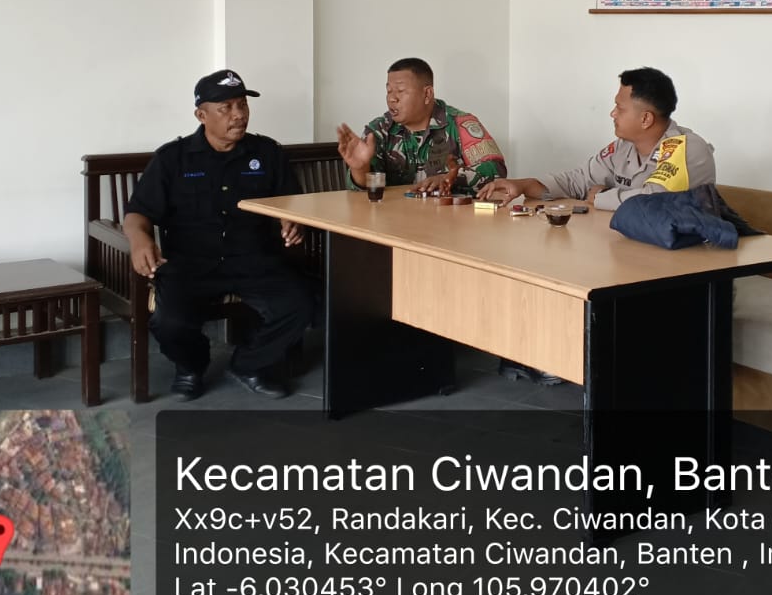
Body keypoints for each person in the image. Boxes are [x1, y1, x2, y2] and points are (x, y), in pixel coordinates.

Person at [123, 69, 314, 400]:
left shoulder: (267, 153)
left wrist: (292, 221)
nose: (238, 115)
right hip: (191, 264)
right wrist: (139, 240)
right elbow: (137, 213)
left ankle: (249, 364)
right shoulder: (172, 158)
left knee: (302, 305)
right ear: (201, 115)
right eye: (226, 108)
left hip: (253, 260)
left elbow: (292, 204)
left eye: (242, 105)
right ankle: (191, 366)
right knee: (169, 322)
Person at [479, 67, 717, 211]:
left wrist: (603, 197)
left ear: (646, 119)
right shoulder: (624, 147)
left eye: (620, 108)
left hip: (683, 266)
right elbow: (578, 181)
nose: (613, 114)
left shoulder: (688, 148)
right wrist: (524, 185)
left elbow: (655, 200)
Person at [336, 58, 507, 196]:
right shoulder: (379, 131)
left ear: (427, 94)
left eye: (400, 91)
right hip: (394, 221)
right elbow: (362, 194)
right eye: (389, 91)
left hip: (450, 221)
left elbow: (496, 169)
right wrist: (360, 169)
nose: (392, 98)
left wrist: (450, 178)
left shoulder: (459, 123)